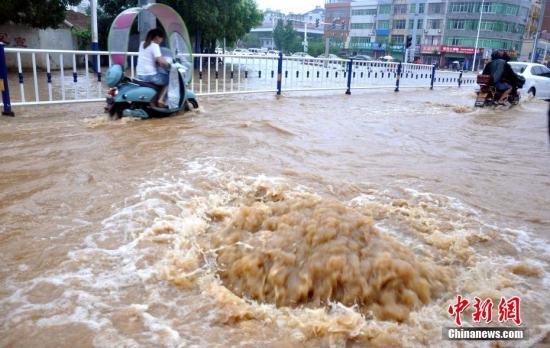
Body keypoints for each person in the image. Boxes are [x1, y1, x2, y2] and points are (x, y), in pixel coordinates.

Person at [136, 29, 171, 107]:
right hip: (150, 76)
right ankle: (161, 99)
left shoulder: (142, 44)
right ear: (158, 37)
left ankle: (155, 98)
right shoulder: (155, 45)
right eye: (161, 38)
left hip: (139, 75)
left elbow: (149, 57)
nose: (161, 41)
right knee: (170, 79)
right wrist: (170, 65)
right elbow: (161, 61)